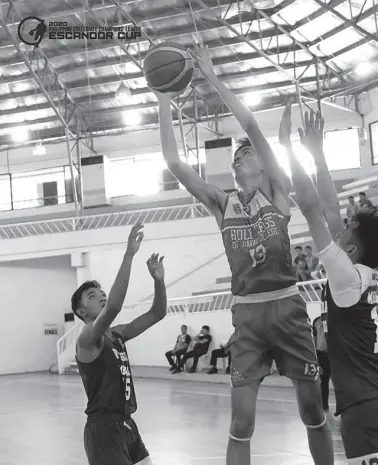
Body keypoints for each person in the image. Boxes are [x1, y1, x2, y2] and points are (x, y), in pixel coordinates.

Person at [155, 42, 333, 465]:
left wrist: (213, 77)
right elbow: (175, 163)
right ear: (233, 171)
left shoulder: (276, 193)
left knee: (312, 410)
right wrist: (164, 103)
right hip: (248, 315)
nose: (241, 155)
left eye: (247, 153)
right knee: (241, 423)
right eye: (236, 157)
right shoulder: (221, 203)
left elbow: (251, 126)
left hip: (287, 308)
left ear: (260, 165)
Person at [280, 102, 378, 464]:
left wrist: (290, 151)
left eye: (348, 226)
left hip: (365, 409)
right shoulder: (367, 273)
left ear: (350, 247)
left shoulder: (347, 278)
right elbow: (331, 210)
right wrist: (318, 155)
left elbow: (312, 209)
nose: (341, 224)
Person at [72, 223, 167, 465]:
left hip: (127, 425)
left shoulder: (117, 335)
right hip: (104, 430)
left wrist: (158, 281)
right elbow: (114, 306)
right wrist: (129, 254)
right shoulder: (86, 339)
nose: (101, 295)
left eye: (101, 292)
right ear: (81, 311)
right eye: (92, 296)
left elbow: (157, 313)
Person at [312, 316, 331, 411]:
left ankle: (342, 407)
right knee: (323, 381)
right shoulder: (316, 321)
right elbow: (314, 340)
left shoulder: (335, 319)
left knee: (339, 382)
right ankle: (324, 406)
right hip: (321, 355)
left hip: (334, 354)